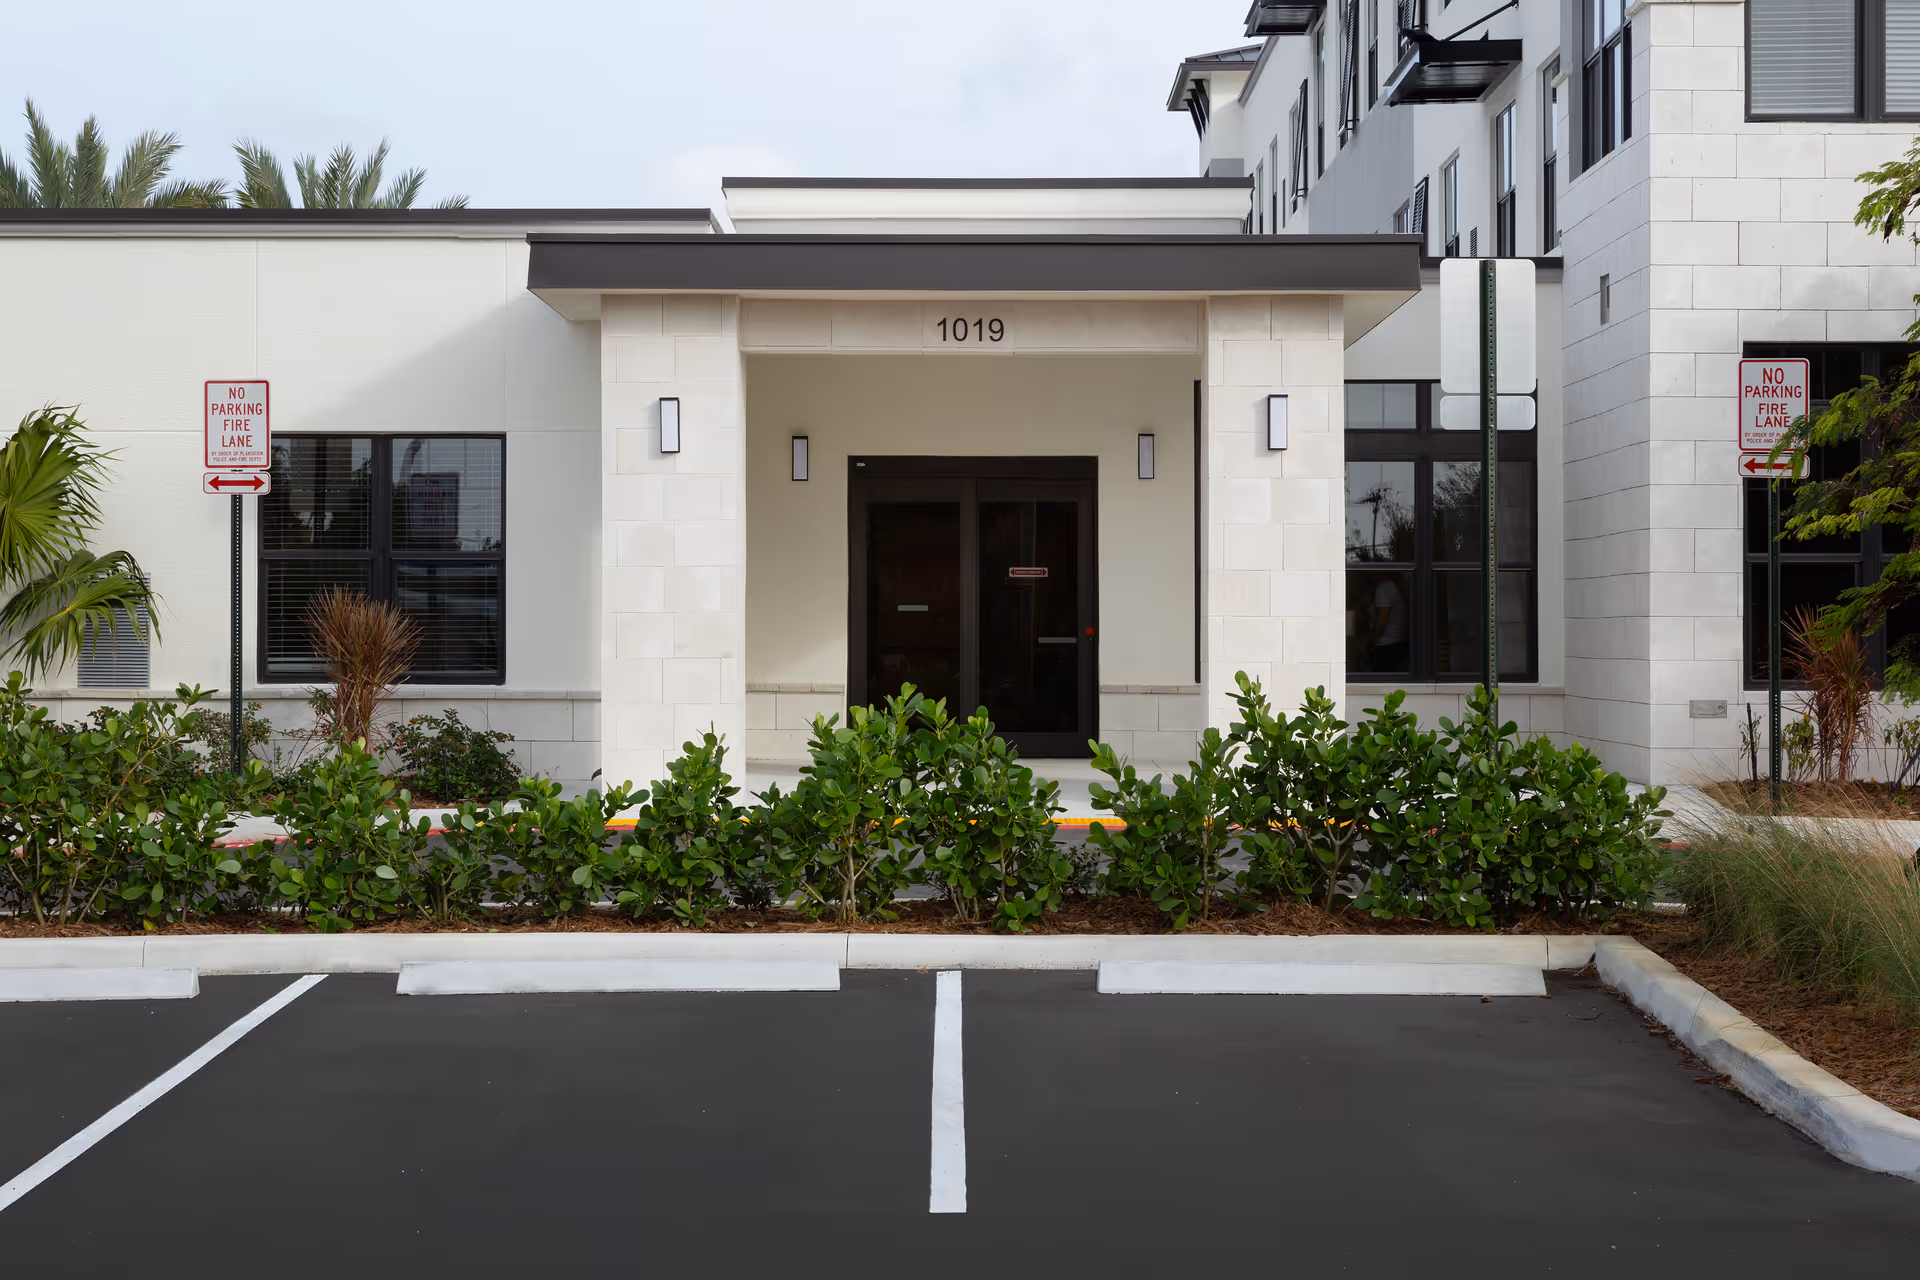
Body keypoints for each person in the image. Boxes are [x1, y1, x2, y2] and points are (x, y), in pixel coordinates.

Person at [1368, 577, 1409, 672]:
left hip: (1386, 645)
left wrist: (1371, 641)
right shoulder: (1394, 586)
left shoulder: (1384, 589)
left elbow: (1382, 620)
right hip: (1398, 642)